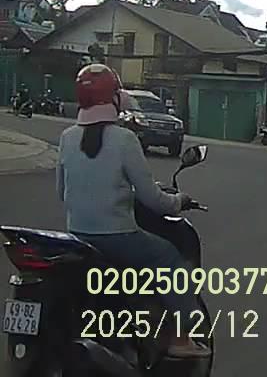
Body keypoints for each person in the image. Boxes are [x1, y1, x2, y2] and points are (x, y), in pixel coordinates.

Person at [55, 64, 209, 359]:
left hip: (77, 236)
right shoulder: (125, 139)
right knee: (168, 258)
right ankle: (180, 338)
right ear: (113, 98)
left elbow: (62, 193)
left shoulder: (67, 137)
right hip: (117, 236)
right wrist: (178, 201)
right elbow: (152, 198)